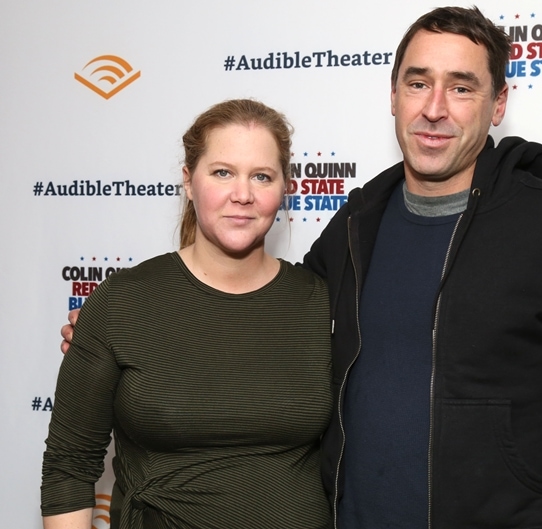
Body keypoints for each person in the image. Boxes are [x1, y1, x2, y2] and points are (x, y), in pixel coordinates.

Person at [61, 6, 542, 529]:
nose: (435, 107)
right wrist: (123, 335)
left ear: (498, 104)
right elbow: (264, 308)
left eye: (462, 86)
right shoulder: (357, 223)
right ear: (392, 94)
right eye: (418, 82)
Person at [43, 99, 333, 529]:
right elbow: (69, 467)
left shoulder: (320, 301)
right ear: (188, 181)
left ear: (284, 187)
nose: (243, 194)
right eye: (222, 172)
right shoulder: (123, 301)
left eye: (261, 176)